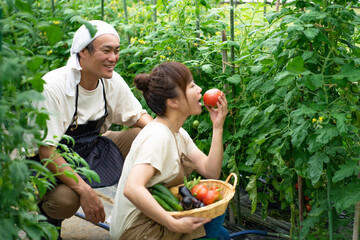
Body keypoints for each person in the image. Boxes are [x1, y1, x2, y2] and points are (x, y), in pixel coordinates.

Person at [34, 20, 153, 239]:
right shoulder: (53, 88)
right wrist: (85, 190)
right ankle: (46, 227)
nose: (113, 58)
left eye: (116, 51)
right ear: (82, 53)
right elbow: (47, 152)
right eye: (106, 51)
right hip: (45, 164)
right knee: (66, 200)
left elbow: (137, 116)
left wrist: (165, 135)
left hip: (89, 151)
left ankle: (149, 211)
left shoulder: (111, 81)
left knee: (145, 137)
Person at [110, 61, 229, 240]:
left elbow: (210, 171)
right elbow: (132, 188)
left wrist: (217, 127)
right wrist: (172, 223)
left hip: (155, 218)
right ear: (173, 101)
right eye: (191, 86)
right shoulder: (158, 135)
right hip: (138, 230)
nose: (199, 89)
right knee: (215, 224)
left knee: (221, 234)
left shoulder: (177, 133)